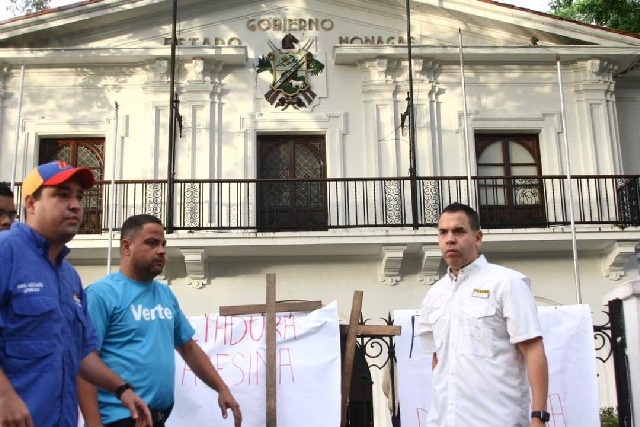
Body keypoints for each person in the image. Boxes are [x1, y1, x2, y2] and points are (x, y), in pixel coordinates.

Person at [0, 160, 152, 427]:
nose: (75, 204)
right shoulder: (6, 251)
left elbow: (81, 353)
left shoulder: (69, 276)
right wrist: (4, 395)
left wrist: (122, 390)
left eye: (79, 196)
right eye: (61, 194)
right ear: (31, 204)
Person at [78, 214, 242, 427]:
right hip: (118, 419)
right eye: (151, 243)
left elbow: (188, 348)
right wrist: (93, 424)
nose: (162, 250)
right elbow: (84, 362)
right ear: (126, 247)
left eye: (163, 244)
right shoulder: (101, 295)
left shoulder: (165, 295)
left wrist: (221, 388)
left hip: (157, 419)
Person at [417, 202, 549, 426]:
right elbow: (437, 359)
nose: (449, 239)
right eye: (443, 232)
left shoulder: (507, 283)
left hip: (496, 419)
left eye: (459, 231)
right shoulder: (434, 294)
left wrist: (539, 417)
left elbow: (533, 349)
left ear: (477, 237)